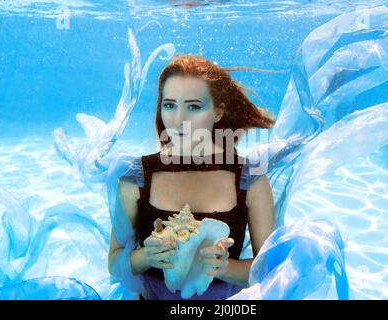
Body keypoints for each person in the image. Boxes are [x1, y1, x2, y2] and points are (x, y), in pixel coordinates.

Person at [107, 54, 278, 299]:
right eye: (169, 105)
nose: (178, 120)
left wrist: (225, 267)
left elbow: (267, 270)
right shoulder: (136, 177)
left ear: (218, 112)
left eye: (194, 106)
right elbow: (114, 263)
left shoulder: (250, 179)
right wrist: (145, 257)